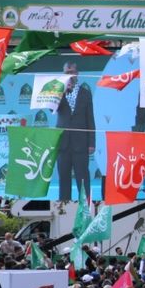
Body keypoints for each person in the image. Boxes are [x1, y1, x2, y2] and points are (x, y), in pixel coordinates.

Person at [56, 62, 95, 203]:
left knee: (83, 178)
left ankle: (86, 205)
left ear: (77, 73)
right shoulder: (57, 92)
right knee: (64, 178)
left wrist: (92, 143)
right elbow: (52, 109)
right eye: (67, 73)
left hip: (81, 143)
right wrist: (62, 92)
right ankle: (64, 206)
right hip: (63, 143)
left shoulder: (85, 93)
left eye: (72, 72)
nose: (69, 75)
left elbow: (90, 119)